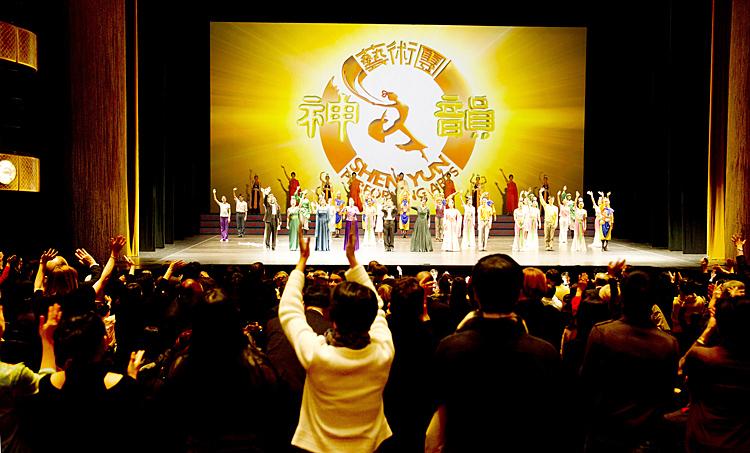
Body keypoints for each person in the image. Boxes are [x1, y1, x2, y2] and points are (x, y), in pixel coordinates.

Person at [427, 254, 561, 452]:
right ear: (518, 293)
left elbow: (441, 415)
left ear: (475, 293)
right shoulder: (544, 353)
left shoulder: (449, 348)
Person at [279, 226, 394, 452]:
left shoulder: (317, 354)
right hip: (371, 447)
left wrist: (301, 262)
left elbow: (289, 311)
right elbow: (379, 307)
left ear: (332, 318)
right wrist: (353, 261)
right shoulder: (383, 350)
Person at [580, 271, 679, 452]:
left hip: (607, 431)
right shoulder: (668, 343)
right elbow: (667, 392)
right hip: (647, 434)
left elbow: (587, 382)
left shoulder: (602, 333)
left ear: (623, 298)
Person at [28, 311, 145, 452]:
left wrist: (46, 340)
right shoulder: (125, 387)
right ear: (104, 342)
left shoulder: (47, 384)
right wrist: (131, 376)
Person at [683, 294, 750, 452]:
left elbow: (681, 371)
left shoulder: (702, 357)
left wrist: (707, 331)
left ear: (719, 326)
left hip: (701, 438)